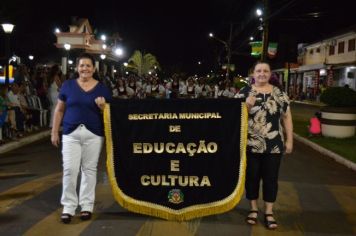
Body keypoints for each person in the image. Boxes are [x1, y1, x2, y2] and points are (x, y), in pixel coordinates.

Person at [51, 53, 112, 224]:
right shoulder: (67, 86)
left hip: (94, 135)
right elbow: (59, 110)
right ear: (77, 68)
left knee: (89, 171)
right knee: (70, 170)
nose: (85, 68)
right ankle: (69, 207)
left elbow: (110, 114)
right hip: (70, 133)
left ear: (94, 68)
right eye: (82, 65)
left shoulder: (102, 89)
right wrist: (54, 132)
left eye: (88, 65)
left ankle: (86, 206)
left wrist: (103, 107)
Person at [237, 61, 293, 230]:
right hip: (250, 145)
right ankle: (253, 209)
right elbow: (233, 118)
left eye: (265, 71)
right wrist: (245, 106)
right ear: (253, 74)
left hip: (274, 145)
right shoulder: (243, 93)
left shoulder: (280, 94)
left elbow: (286, 118)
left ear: (270, 74)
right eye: (258, 71)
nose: (262, 73)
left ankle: (269, 212)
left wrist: (290, 140)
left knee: (271, 179)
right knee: (252, 177)